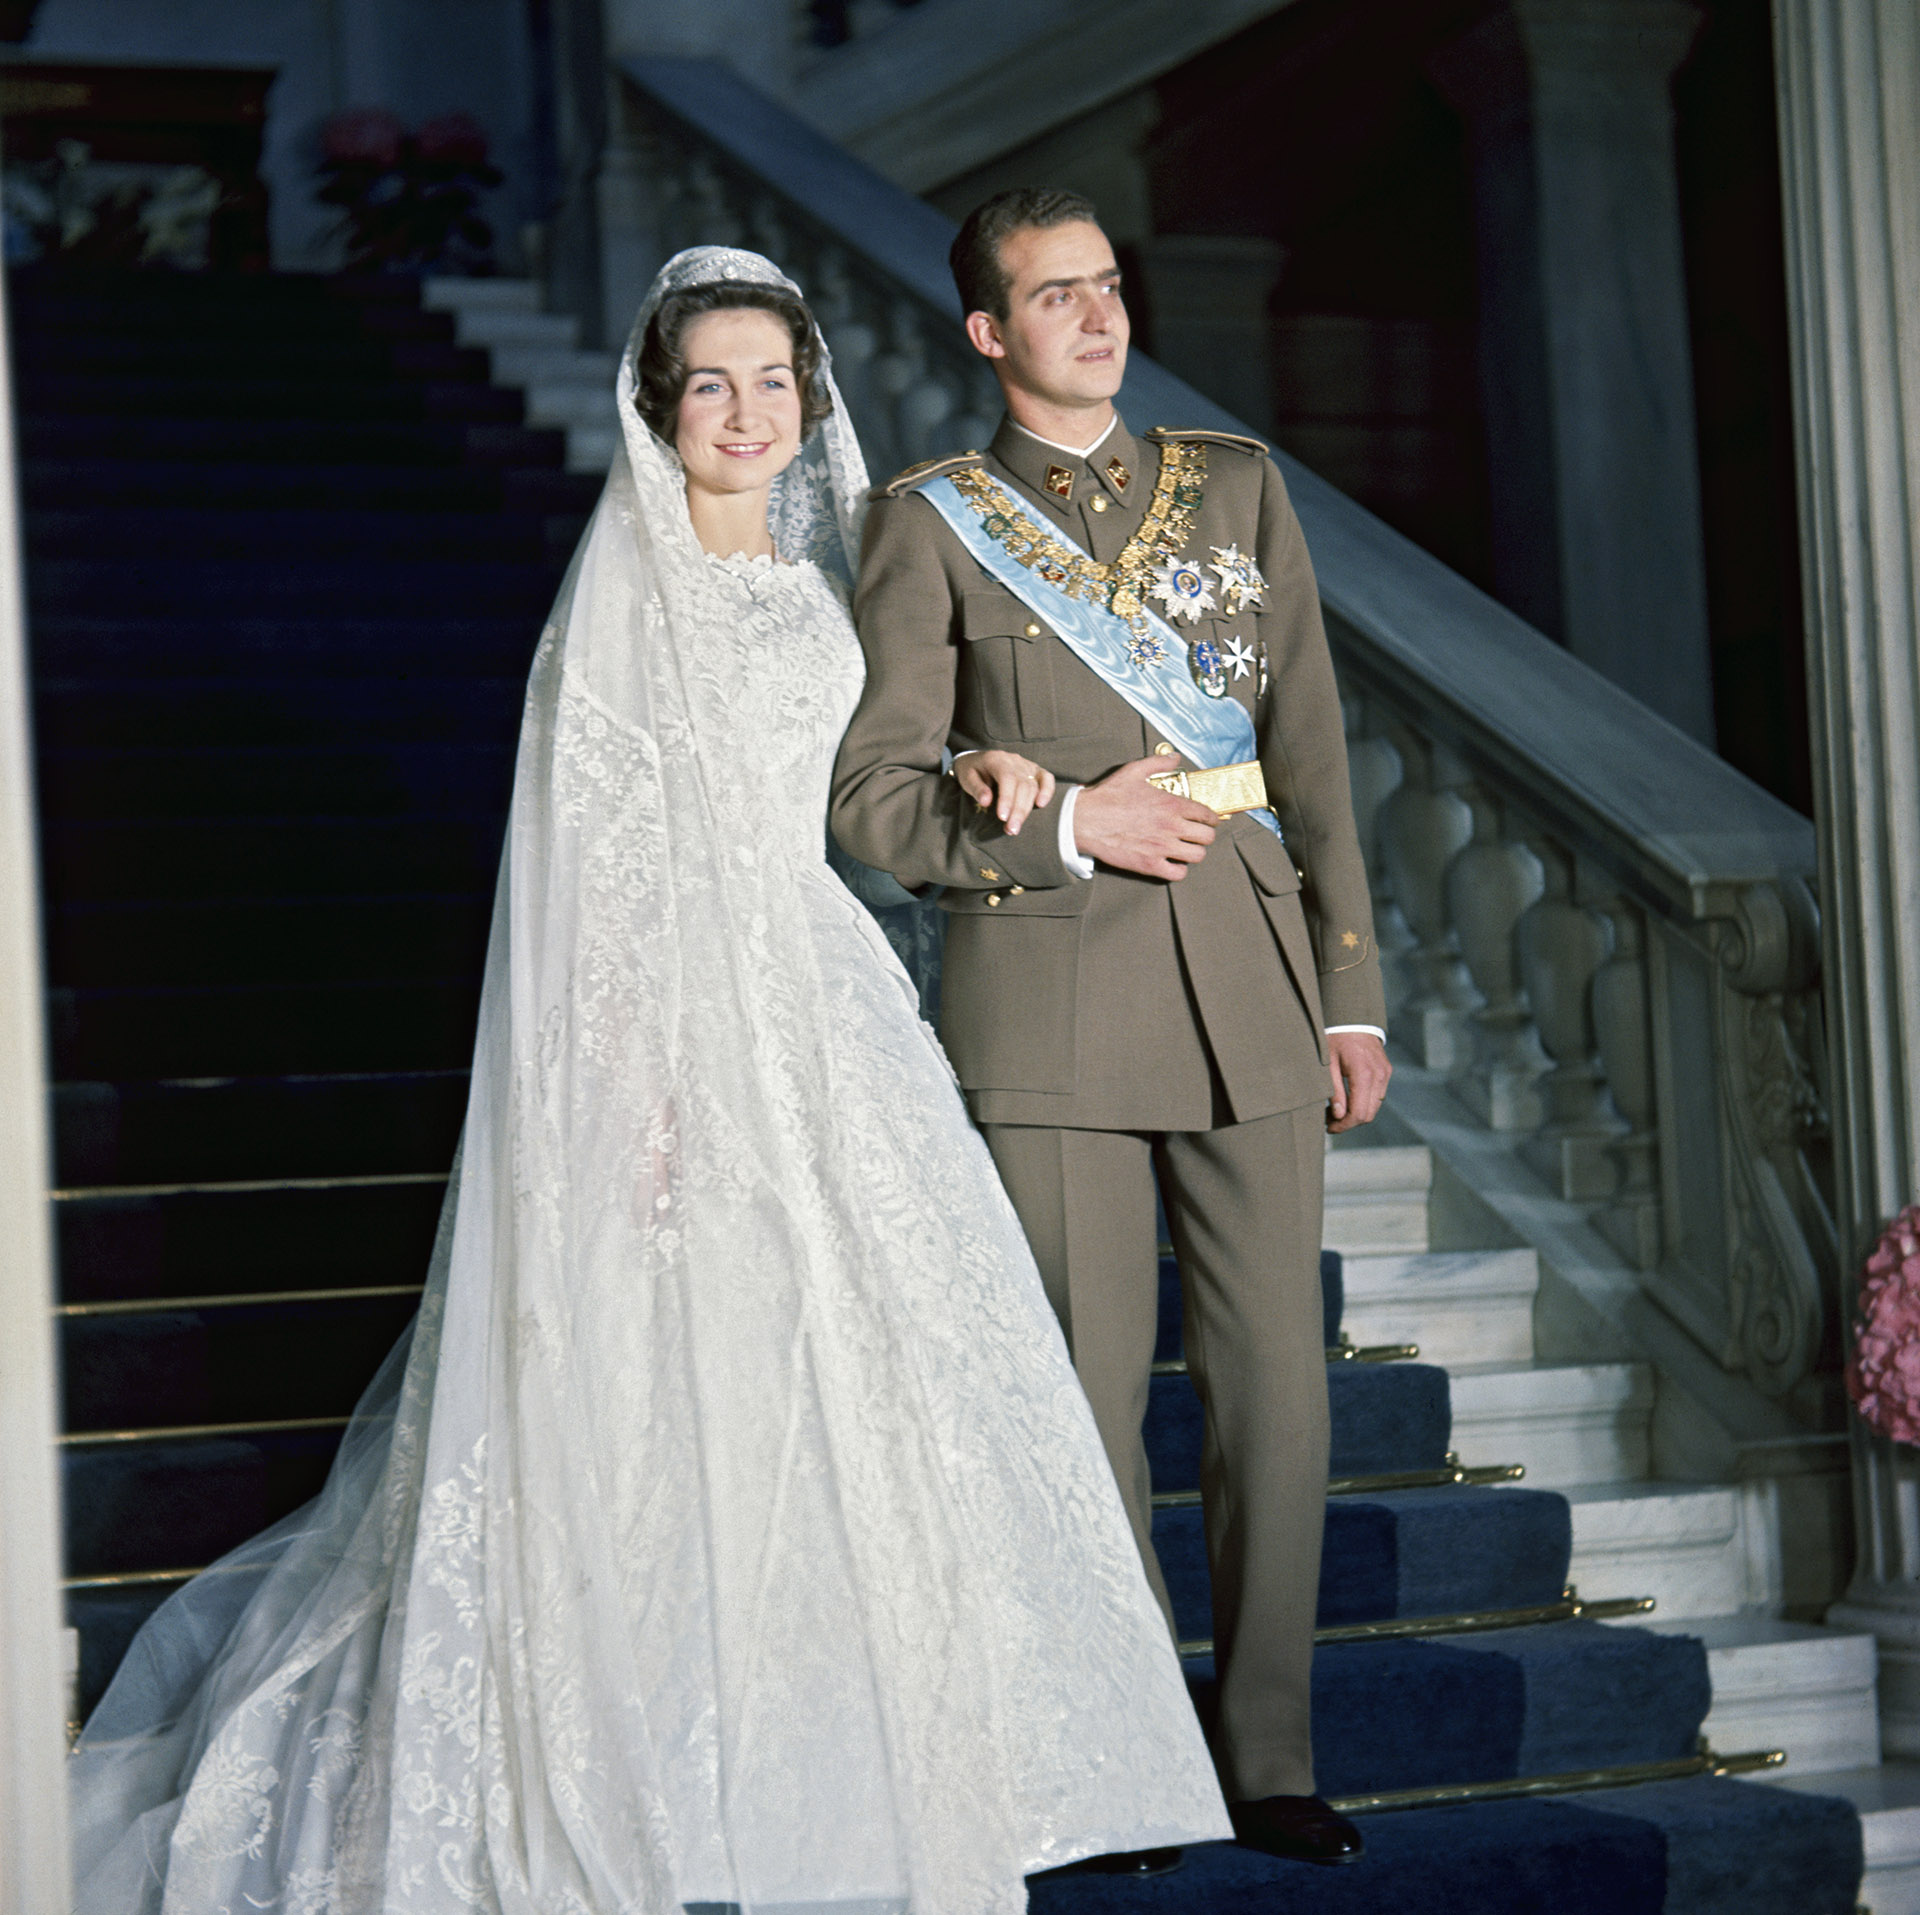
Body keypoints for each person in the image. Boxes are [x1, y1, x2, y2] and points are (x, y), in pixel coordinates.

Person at [67, 246, 1232, 1915]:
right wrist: (640, 1101)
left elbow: (852, 788)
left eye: (774, 382)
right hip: (680, 1019)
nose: (748, 414)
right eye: (713, 387)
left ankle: (898, 1762)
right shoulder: (626, 596)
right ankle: (690, 1769)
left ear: (807, 399)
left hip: (822, 995)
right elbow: (594, 873)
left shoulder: (819, 580)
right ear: (659, 409)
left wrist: (976, 764)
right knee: (687, 1390)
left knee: (888, 1379)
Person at [830, 189, 1392, 1868]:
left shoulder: (1236, 485)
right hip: (1051, 994)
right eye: (1053, 294)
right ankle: (1131, 1752)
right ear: (989, 335)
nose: (1096, 313)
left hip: (1248, 977)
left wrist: (1351, 986)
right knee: (1080, 1398)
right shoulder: (929, 524)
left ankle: (1269, 1752)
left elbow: (1312, 749)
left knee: (1275, 1390)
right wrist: (1062, 823)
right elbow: (869, 791)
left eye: (1108, 285)